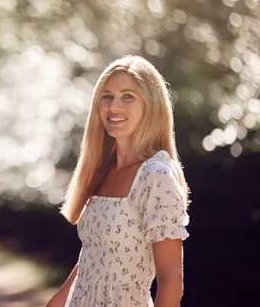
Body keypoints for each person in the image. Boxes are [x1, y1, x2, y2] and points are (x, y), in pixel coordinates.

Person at [46, 55, 190, 307]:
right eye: (107, 96)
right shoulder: (104, 170)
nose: (114, 107)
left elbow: (171, 277)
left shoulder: (156, 175)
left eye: (128, 96)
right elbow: (94, 255)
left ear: (151, 105)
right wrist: (55, 303)